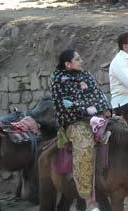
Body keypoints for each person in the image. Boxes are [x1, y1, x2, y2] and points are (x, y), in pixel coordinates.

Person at [49, 49, 112, 211]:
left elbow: (98, 94)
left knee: (122, 129)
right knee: (84, 145)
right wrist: (88, 111)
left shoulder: (86, 75)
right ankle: (88, 199)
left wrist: (105, 108)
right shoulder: (58, 81)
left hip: (98, 116)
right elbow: (65, 105)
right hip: (75, 122)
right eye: (77, 59)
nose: (81, 61)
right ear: (67, 64)